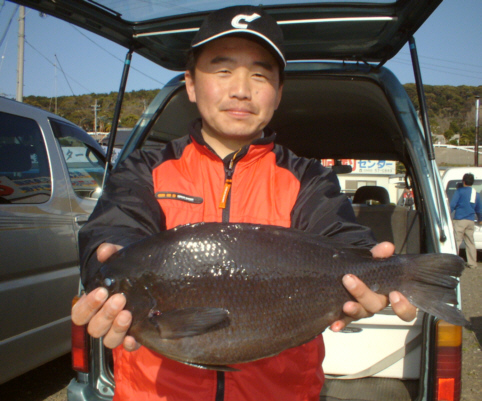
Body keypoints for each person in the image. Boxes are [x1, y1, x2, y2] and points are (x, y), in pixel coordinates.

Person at [72, 5, 416, 400]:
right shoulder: (142, 170)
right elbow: (112, 232)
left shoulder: (309, 179)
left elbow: (344, 241)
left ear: (279, 93)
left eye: (259, 74)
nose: (241, 89)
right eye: (222, 70)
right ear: (190, 84)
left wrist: (376, 271)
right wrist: (104, 261)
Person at [450, 173, 482, 269]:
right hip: (470, 220)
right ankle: (472, 263)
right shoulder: (475, 193)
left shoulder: (459, 191)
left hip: (460, 219)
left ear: (463, 181)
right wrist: (480, 219)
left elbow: (452, 205)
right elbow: (479, 208)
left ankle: (453, 262)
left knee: (457, 241)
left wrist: (448, 214)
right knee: (470, 242)